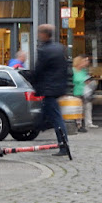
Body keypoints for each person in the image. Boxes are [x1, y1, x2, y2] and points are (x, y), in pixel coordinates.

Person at [30, 24, 69, 156]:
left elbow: (38, 70)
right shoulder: (59, 48)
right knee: (48, 114)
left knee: (56, 118)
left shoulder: (44, 50)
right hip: (57, 88)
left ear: (44, 35)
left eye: (39, 33)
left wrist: (33, 83)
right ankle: (39, 126)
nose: (38, 35)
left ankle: (63, 145)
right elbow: (65, 69)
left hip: (48, 89)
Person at [73, 55, 98, 132]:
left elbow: (87, 79)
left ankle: (88, 123)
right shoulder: (73, 70)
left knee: (87, 107)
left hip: (84, 92)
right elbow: (74, 80)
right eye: (84, 61)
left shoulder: (83, 71)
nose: (86, 63)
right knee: (78, 109)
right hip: (76, 92)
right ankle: (79, 125)